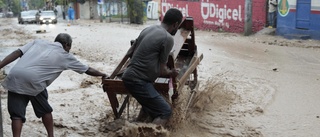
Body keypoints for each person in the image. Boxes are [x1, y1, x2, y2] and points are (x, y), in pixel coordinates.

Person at [0, 33, 107, 137]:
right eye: (69, 47)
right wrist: (102, 74)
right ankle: (51, 135)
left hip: (15, 76)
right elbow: (87, 69)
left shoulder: (38, 42)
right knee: (45, 110)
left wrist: (0, 66)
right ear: (67, 45)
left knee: (16, 115)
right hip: (35, 81)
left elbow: (17, 53)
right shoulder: (65, 55)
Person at [121, 8, 182, 127]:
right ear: (175, 24)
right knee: (165, 111)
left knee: (150, 107)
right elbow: (162, 70)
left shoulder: (148, 29)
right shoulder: (167, 38)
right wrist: (172, 72)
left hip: (128, 75)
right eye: (178, 26)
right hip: (139, 81)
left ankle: (135, 129)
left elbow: (129, 53)